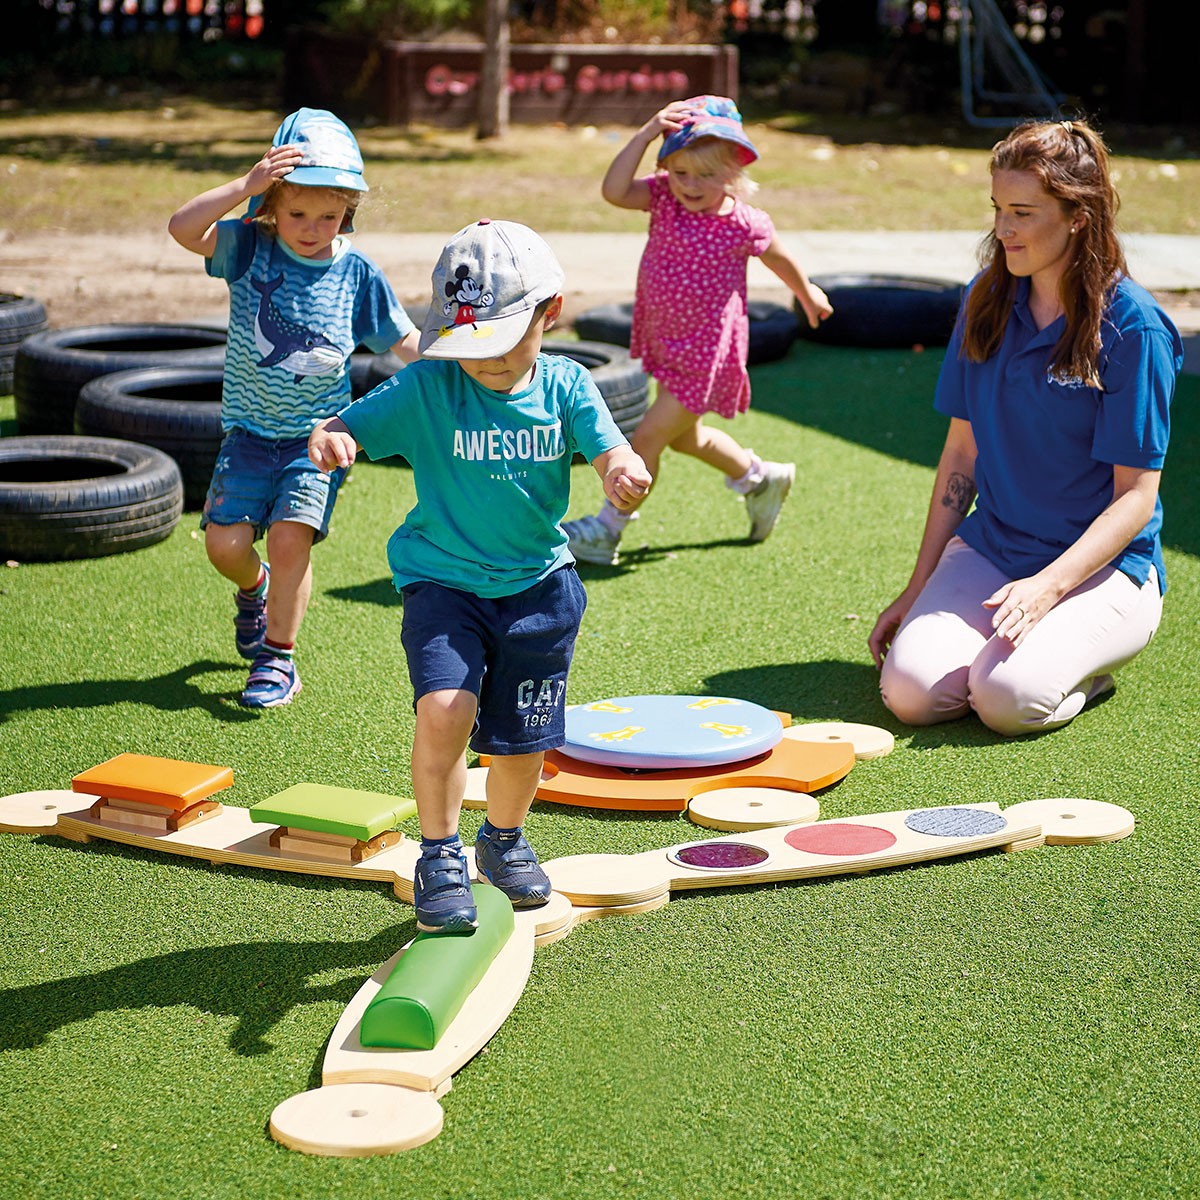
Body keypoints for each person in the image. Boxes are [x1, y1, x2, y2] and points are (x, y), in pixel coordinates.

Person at [308, 219, 652, 933]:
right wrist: (332, 438)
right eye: (471, 345)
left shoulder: (567, 384)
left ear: (550, 313)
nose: (487, 362)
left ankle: (502, 840)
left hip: (540, 589)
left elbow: (610, 449)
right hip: (444, 583)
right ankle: (439, 854)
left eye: (502, 341)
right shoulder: (430, 386)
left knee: (522, 739)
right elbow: (343, 425)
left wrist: (622, 471)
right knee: (444, 709)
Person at [868, 118, 1182, 736]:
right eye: (997, 208)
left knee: (1006, 699)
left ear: (1078, 218)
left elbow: (1136, 497)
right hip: (996, 548)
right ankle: (1004, 658)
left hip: (1103, 570)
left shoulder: (1133, 328)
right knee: (909, 694)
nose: (1002, 229)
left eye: (1022, 213)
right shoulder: (983, 299)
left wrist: (1046, 588)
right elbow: (961, 456)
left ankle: (1084, 674)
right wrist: (917, 587)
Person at [167, 107, 420, 708]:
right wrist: (245, 185)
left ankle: (277, 657)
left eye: (328, 215)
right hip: (248, 433)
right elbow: (182, 228)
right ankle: (253, 588)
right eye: (297, 213)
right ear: (272, 206)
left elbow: (402, 340)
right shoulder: (248, 248)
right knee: (225, 547)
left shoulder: (357, 273)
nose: (312, 228)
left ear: (348, 211)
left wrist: (458, 363)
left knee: (288, 540)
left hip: (318, 438)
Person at [563, 95, 832, 566]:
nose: (689, 184)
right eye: (680, 171)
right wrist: (647, 133)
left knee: (646, 440)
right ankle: (760, 478)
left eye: (706, 175)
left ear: (734, 171)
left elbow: (779, 257)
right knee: (687, 438)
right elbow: (613, 191)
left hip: (704, 356)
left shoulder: (743, 222)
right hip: (667, 344)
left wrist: (806, 292)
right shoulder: (663, 198)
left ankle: (608, 529)